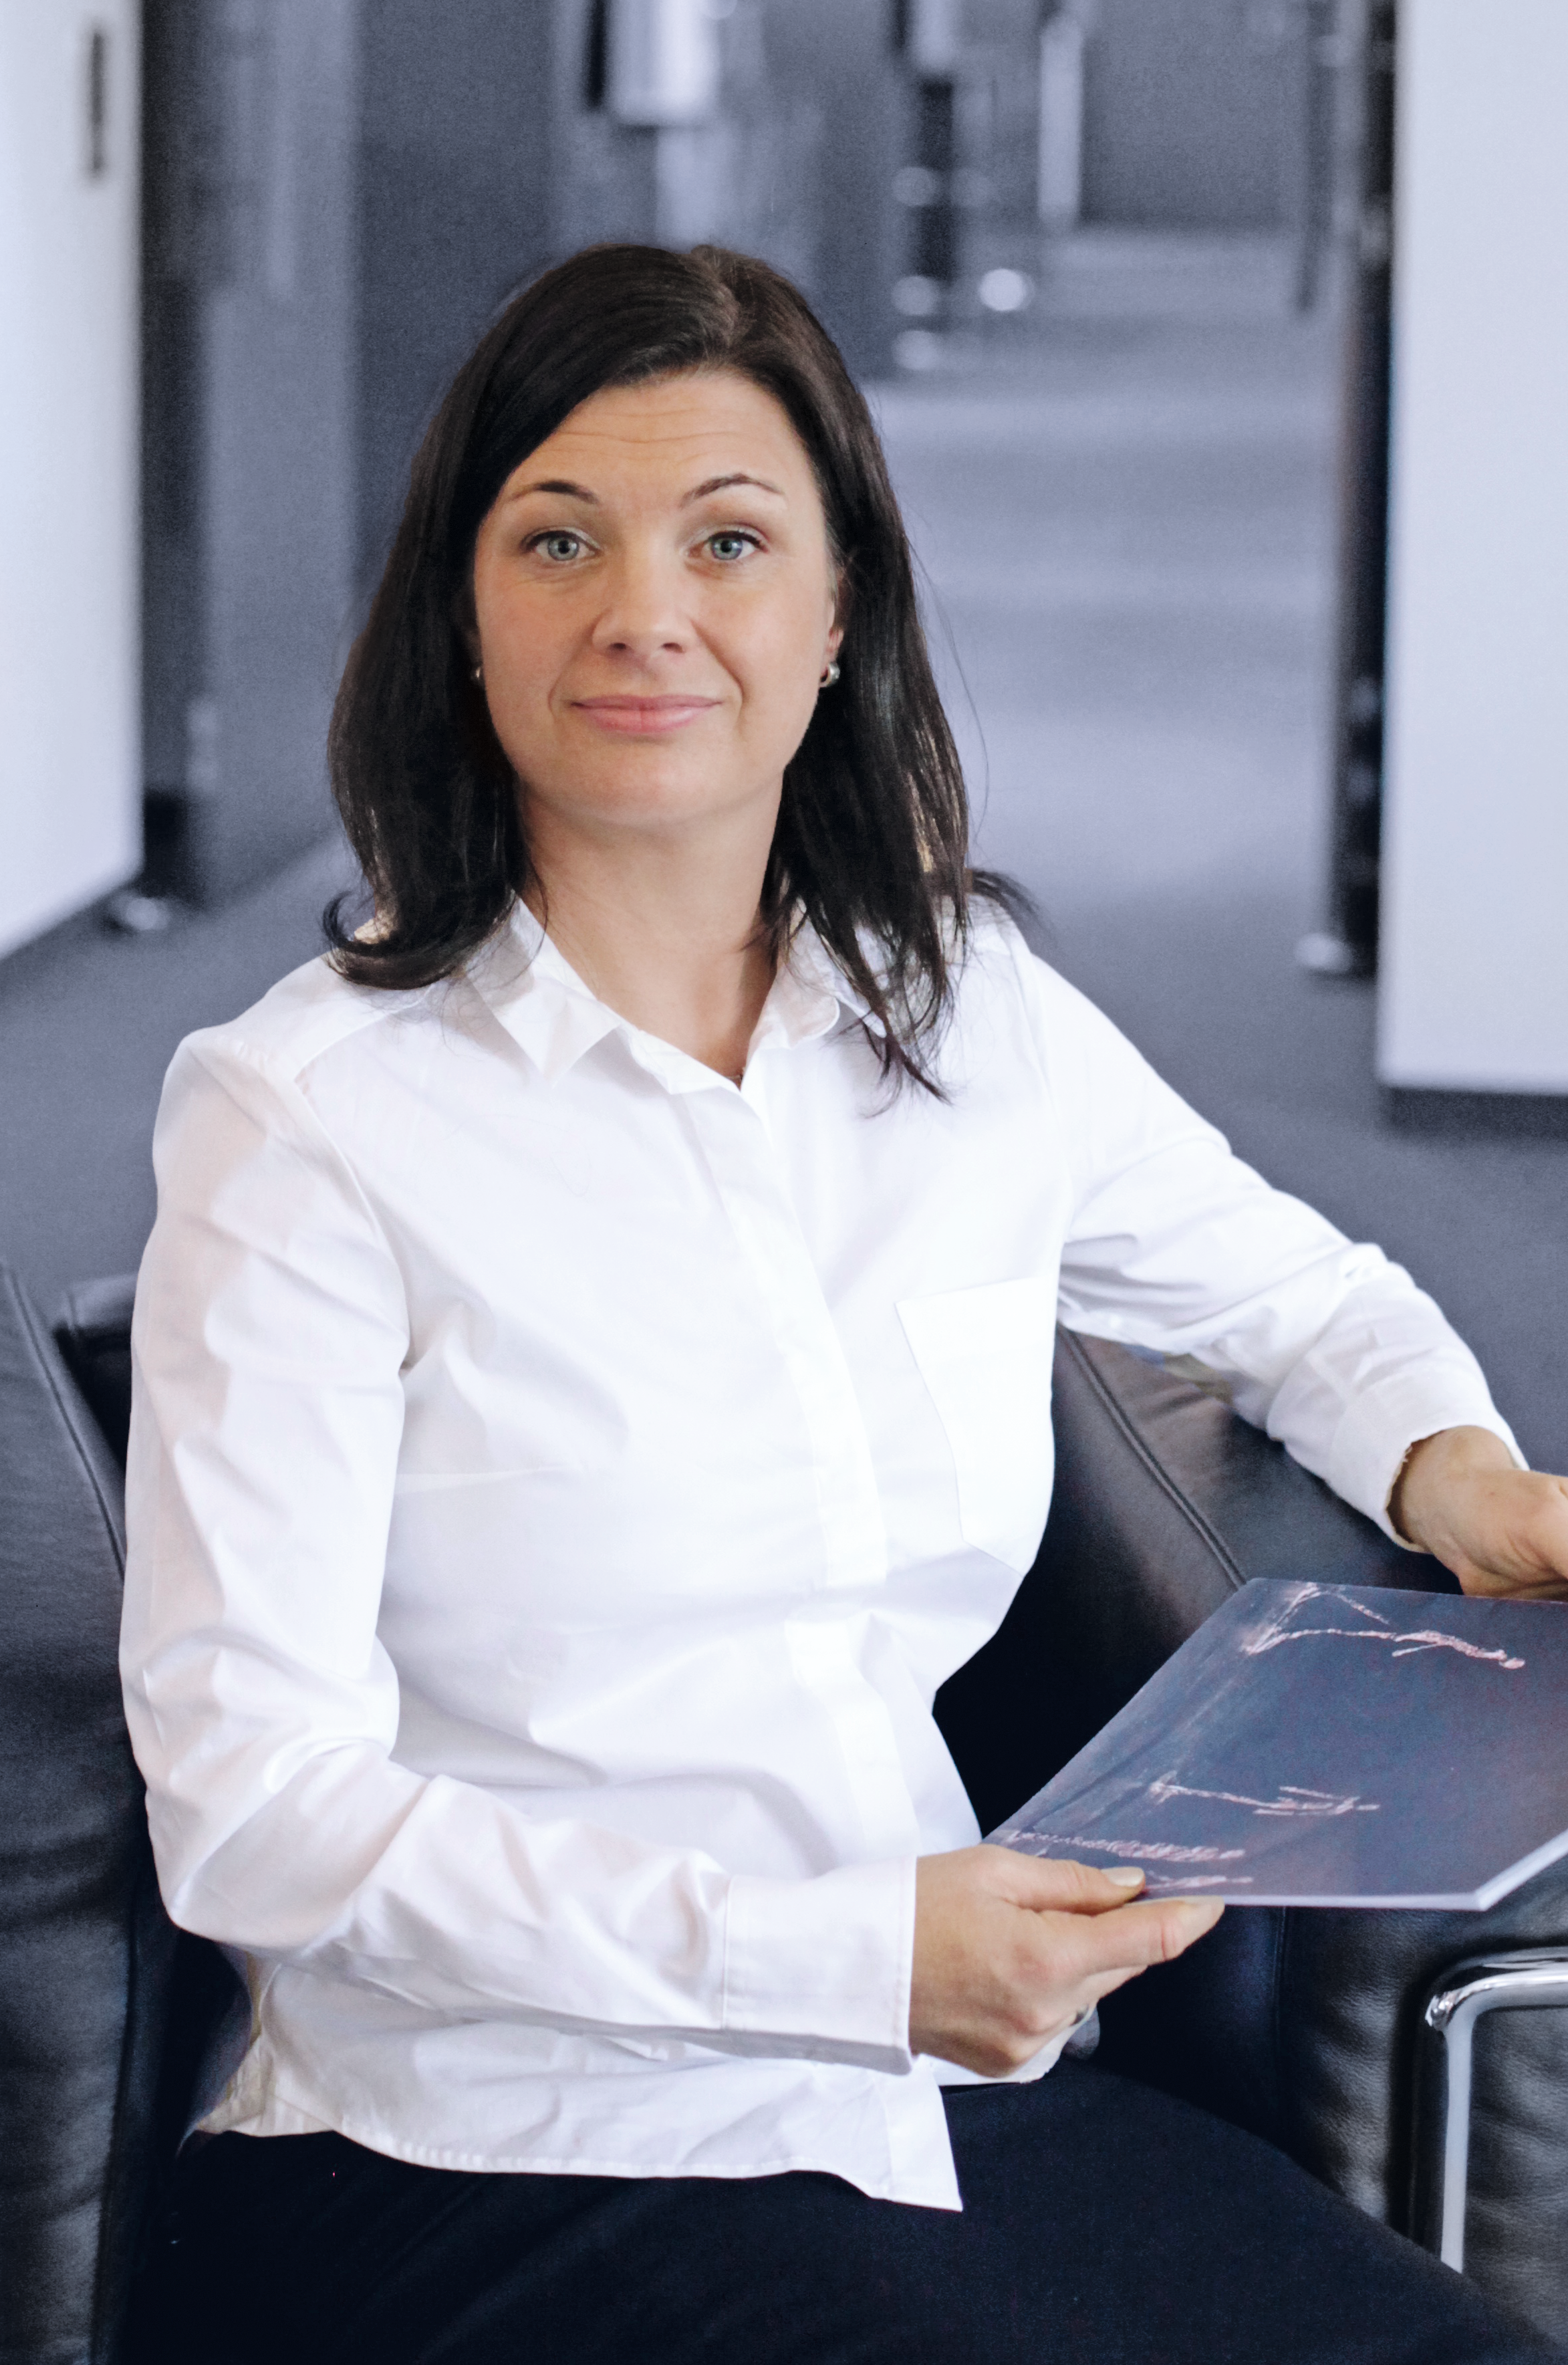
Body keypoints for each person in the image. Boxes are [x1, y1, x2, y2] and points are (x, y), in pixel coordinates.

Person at [120, 243, 1568, 2363]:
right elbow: (255, 1805)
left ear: (835, 620)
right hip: (493, 2140)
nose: (646, 611)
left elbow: (1302, 1296)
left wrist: (1460, 1469)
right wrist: (844, 1957)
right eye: (558, 539)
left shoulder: (965, 1021)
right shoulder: (306, 1120)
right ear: (465, 615)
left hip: (944, 2098)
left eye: (729, 539)